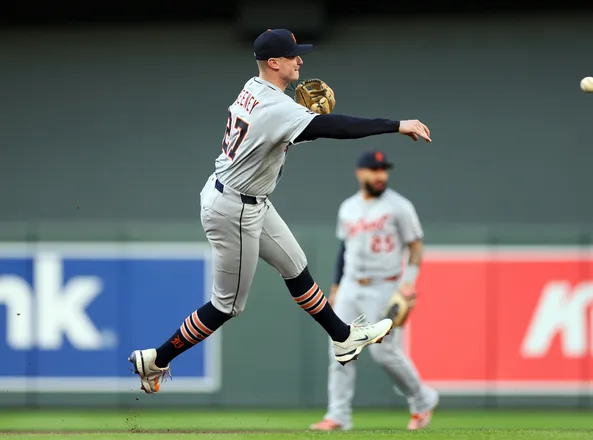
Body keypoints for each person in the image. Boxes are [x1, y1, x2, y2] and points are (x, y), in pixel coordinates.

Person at [128, 28, 433, 394]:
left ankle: (344, 338)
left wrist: (300, 119)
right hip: (234, 208)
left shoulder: (255, 89)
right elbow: (336, 128)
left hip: (242, 195)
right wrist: (396, 125)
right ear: (274, 63)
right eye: (293, 55)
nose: (300, 60)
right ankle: (156, 360)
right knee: (227, 306)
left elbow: (283, 129)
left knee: (296, 266)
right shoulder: (278, 108)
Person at [310, 150, 439, 431]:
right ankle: (338, 416)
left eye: (384, 169)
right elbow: (344, 249)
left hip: (385, 285)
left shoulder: (399, 206)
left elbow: (415, 247)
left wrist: (408, 285)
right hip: (350, 285)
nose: (380, 175)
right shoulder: (347, 207)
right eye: (374, 169)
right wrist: (335, 286)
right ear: (360, 172)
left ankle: (423, 399)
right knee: (340, 349)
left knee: (384, 353)